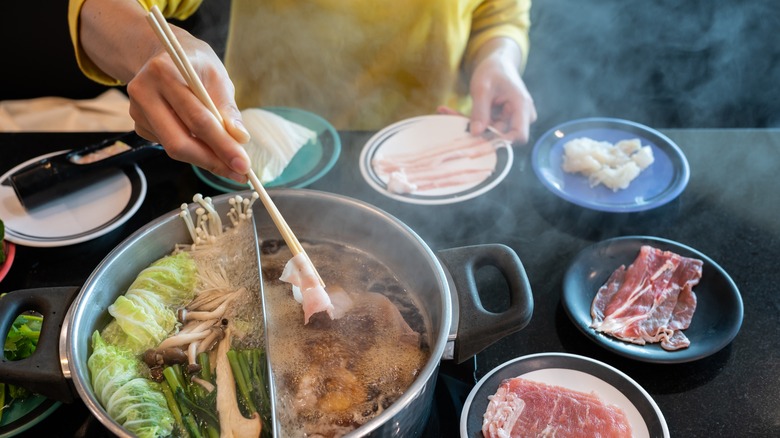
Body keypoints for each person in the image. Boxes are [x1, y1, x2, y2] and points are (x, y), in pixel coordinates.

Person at [68, 0, 536, 183]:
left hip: (428, 153)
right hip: (265, 157)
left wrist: (498, 58)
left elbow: (500, 12)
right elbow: (99, 9)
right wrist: (149, 46)